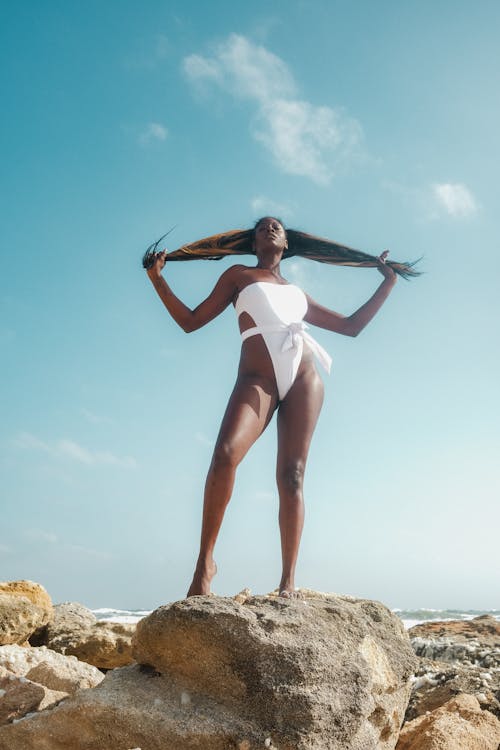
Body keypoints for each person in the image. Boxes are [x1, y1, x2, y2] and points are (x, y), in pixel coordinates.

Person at [145, 217, 397, 598]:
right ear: (252, 241)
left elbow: (350, 326)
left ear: (287, 243)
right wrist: (158, 280)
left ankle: (287, 582)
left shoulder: (297, 293)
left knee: (292, 477)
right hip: (257, 380)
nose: (269, 227)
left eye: (277, 225)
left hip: (304, 378)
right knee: (225, 455)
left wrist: (388, 282)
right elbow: (190, 322)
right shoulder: (239, 275)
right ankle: (205, 564)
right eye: (262, 226)